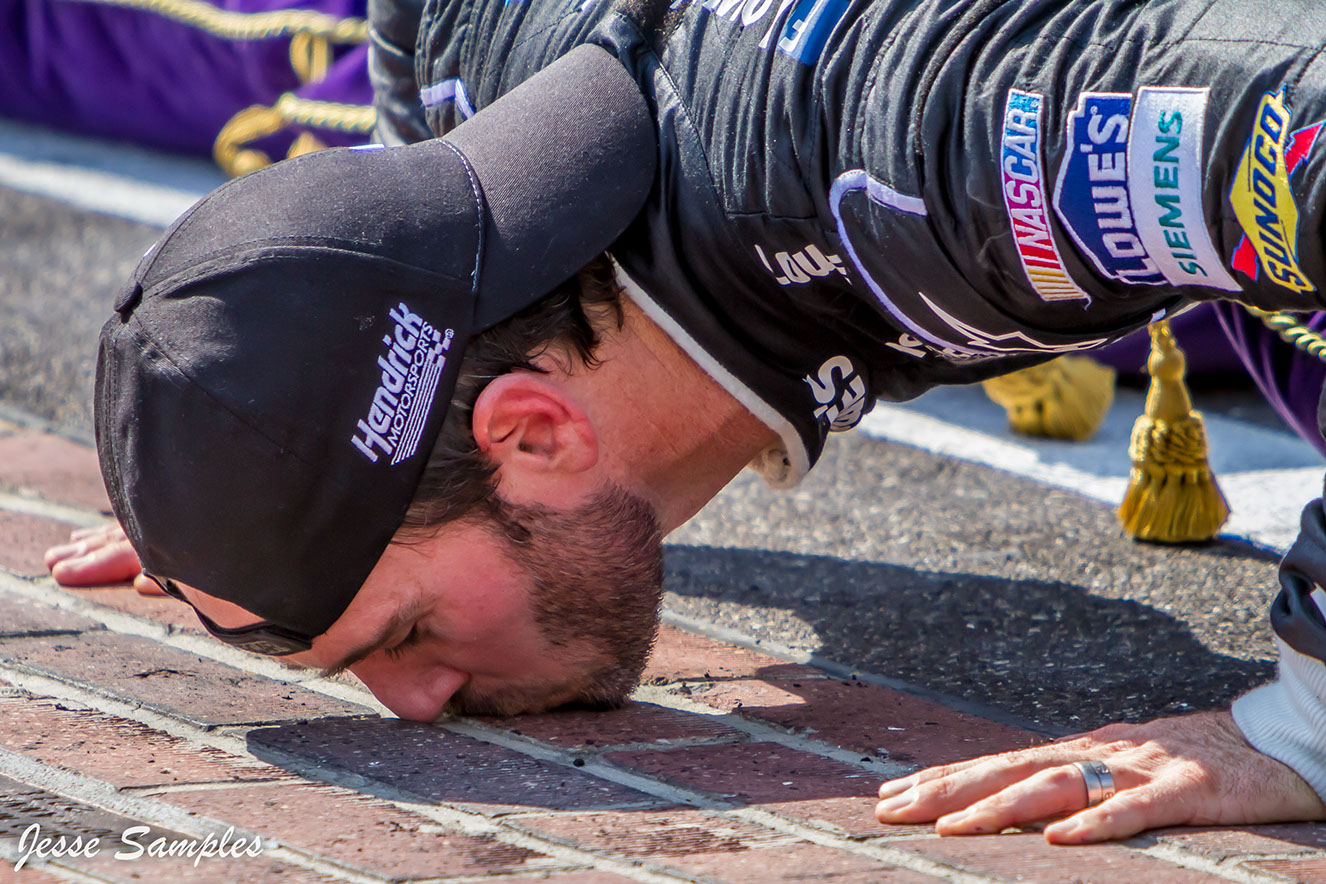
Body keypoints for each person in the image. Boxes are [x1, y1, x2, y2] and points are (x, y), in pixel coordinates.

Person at [43, 0, 1326, 845]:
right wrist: (233, 461)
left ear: (535, 430)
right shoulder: (447, 55)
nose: (417, 699)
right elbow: (377, 242)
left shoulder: (929, 161)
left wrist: (1304, 718)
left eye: (407, 629)